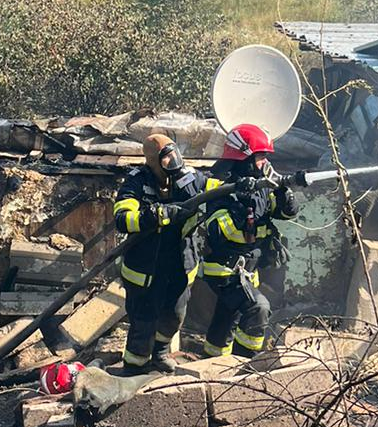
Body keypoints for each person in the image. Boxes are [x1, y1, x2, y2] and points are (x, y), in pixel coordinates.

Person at [111, 132, 216, 373]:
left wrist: (240, 188)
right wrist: (153, 216)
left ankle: (160, 354)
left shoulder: (189, 177)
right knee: (144, 323)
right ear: (152, 161)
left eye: (174, 154)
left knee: (175, 315)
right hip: (146, 268)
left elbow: (215, 188)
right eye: (166, 158)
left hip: (179, 265)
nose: (173, 162)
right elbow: (122, 218)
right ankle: (134, 367)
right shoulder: (137, 180)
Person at [201, 123, 297, 358]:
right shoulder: (220, 186)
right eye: (260, 157)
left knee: (227, 315)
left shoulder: (261, 187)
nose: (265, 163)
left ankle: (213, 359)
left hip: (247, 270)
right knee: (258, 308)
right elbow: (216, 230)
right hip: (224, 270)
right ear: (243, 158)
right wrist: (242, 205)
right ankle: (246, 366)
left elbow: (284, 213)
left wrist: (284, 192)